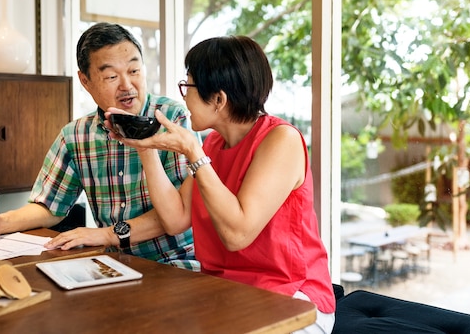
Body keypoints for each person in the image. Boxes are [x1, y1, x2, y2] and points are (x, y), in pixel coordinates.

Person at [106, 35, 336, 333]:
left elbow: (237, 235)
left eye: (187, 86)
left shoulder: (282, 140)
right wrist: (145, 149)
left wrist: (193, 152)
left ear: (218, 99)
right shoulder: (214, 143)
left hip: (291, 299)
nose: (183, 97)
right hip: (226, 292)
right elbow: (176, 219)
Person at [0, 22, 198, 270]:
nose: (127, 85)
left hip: (175, 263)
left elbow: (181, 212)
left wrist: (108, 234)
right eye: (111, 76)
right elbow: (48, 206)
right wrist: (1, 222)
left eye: (134, 70)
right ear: (85, 81)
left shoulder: (172, 119)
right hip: (113, 266)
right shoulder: (76, 135)